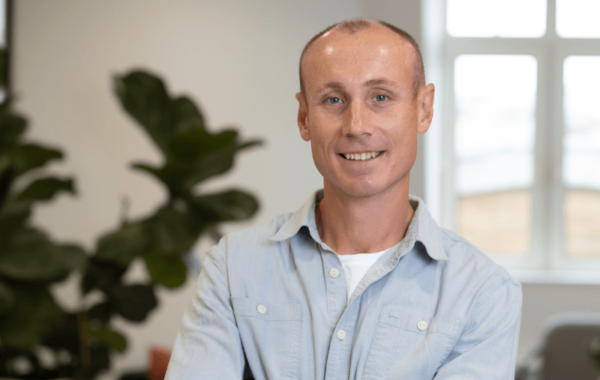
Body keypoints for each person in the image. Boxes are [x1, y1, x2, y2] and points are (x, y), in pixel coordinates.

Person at [165, 19, 522, 380]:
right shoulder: (232, 268)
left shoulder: (483, 292)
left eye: (380, 97)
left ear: (423, 108)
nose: (356, 126)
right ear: (304, 117)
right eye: (333, 100)